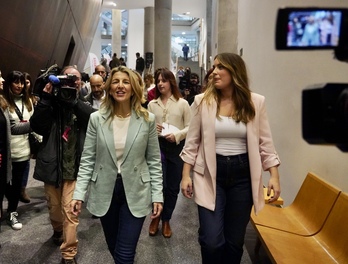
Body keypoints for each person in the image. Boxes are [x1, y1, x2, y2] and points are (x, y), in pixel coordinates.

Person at [180, 53, 281, 263]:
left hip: (243, 175)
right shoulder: (202, 101)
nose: (214, 72)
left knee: (234, 242)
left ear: (235, 71)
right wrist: (186, 175)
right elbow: (192, 141)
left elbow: (265, 141)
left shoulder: (255, 102)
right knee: (212, 241)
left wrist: (274, 174)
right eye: (214, 67)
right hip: (210, 172)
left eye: (220, 67)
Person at [70, 66, 163, 263]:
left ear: (134, 88)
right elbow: (88, 158)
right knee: (115, 248)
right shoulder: (97, 119)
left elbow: (154, 161)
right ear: (109, 88)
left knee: (124, 254)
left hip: (136, 189)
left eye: (126, 82)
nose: (120, 86)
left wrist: (158, 195)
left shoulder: (147, 120)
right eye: (115, 81)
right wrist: (78, 193)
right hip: (105, 189)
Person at [30, 65, 95, 264]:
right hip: (52, 167)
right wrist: (47, 100)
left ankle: (69, 254)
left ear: (80, 82)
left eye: (74, 79)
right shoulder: (50, 103)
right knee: (55, 208)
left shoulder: (83, 102)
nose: (70, 82)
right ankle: (57, 230)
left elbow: (93, 118)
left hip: (74, 169)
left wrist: (73, 101)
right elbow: (37, 126)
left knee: (71, 212)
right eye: (66, 78)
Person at [147, 68, 191, 238]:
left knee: (172, 188)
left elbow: (191, 127)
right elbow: (146, 127)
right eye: (158, 81)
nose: (160, 83)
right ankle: (155, 218)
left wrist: (178, 135)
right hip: (158, 148)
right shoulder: (152, 104)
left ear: (171, 82)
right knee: (159, 185)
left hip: (177, 149)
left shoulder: (183, 103)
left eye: (163, 80)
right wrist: (152, 128)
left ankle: (166, 219)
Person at [2, 71, 33, 230]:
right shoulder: (4, 102)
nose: (19, 86)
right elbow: (11, 128)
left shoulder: (28, 102)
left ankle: (12, 212)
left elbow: (31, 121)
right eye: (16, 82)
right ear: (9, 83)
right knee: (6, 184)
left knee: (16, 186)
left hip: (23, 151)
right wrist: (33, 125)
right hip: (7, 152)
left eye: (22, 83)